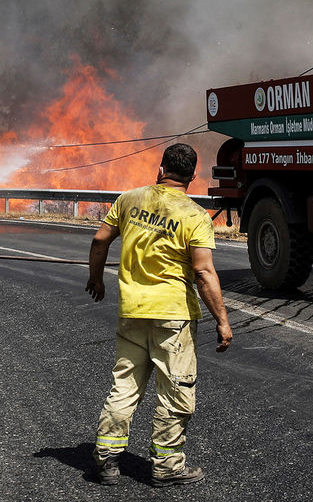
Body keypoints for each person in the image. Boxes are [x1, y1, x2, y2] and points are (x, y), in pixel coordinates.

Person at [85, 143, 233, 488]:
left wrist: (95, 278)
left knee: (125, 386)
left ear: (160, 169)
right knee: (175, 389)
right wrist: (223, 321)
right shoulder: (194, 215)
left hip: (132, 312)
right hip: (173, 317)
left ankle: (106, 459)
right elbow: (204, 273)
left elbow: (99, 240)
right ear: (193, 176)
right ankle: (167, 466)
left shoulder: (129, 200)